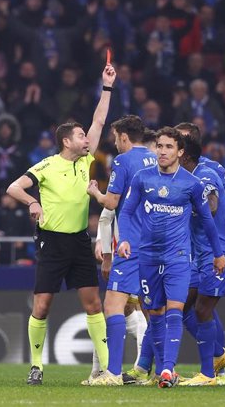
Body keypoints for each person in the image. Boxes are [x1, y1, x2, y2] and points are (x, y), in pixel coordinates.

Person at [6, 63, 117, 385]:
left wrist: (106, 86)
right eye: (81, 136)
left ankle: (103, 369)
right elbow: (14, 187)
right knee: (42, 305)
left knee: (93, 303)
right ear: (66, 141)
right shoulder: (47, 165)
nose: (87, 139)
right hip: (52, 242)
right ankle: (37, 365)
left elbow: (99, 120)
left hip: (80, 240)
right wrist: (33, 201)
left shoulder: (86, 160)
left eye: (85, 136)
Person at [117, 127, 225, 388]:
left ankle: (167, 370)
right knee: (154, 314)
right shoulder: (143, 178)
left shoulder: (191, 184)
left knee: (175, 310)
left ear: (180, 152)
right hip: (148, 257)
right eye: (159, 146)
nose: (162, 151)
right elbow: (126, 212)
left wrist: (218, 253)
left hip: (178, 257)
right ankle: (162, 369)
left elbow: (208, 222)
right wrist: (125, 239)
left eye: (168, 147)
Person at [85, 115, 158, 385]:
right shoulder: (156, 158)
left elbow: (113, 203)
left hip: (131, 244)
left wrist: (95, 192)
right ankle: (158, 370)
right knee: (153, 310)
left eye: (116, 137)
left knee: (113, 305)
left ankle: (113, 373)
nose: (115, 142)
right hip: (157, 245)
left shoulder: (124, 161)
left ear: (124, 137)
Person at [177, 135, 225, 386]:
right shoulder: (187, 175)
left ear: (183, 155)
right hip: (201, 254)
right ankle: (218, 354)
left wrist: (188, 205)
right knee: (184, 306)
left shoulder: (203, 175)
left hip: (220, 253)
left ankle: (209, 373)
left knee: (203, 309)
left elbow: (213, 205)